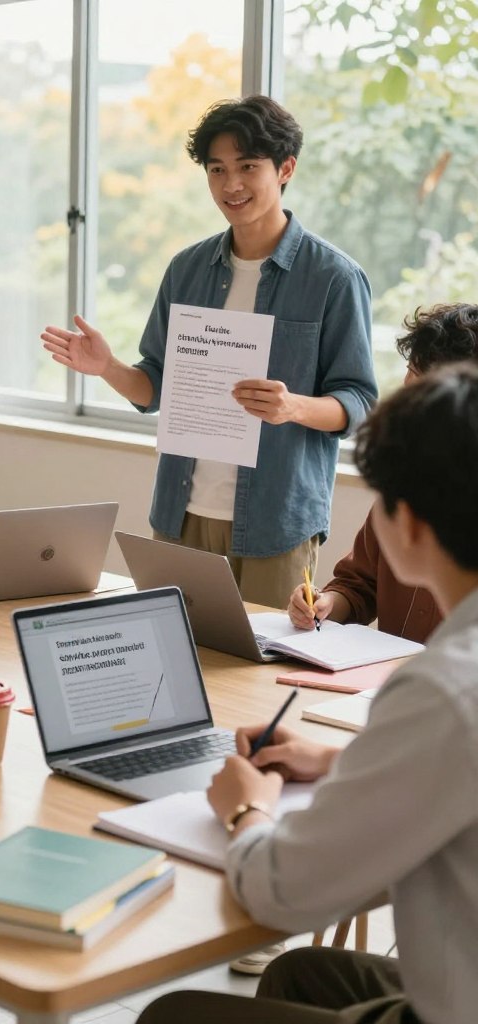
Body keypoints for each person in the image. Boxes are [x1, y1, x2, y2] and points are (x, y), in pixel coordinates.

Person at [136, 363, 478, 1024]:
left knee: (173, 1014)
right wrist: (338, 764)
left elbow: (282, 892)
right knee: (304, 971)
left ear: (406, 523)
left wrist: (245, 811)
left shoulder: (442, 688)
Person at [42, 95, 377, 610]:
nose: (231, 185)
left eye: (248, 167)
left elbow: (357, 401)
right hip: (182, 513)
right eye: (217, 169)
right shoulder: (187, 269)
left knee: (259, 679)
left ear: (286, 168)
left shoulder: (333, 277)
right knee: (173, 661)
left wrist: (293, 407)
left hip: (276, 522)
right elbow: (155, 385)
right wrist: (106, 368)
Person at [288, 303, 478, 643]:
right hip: (386, 683)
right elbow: (359, 585)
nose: (405, 385)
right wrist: (327, 603)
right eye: (409, 370)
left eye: (420, 375)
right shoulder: (404, 478)